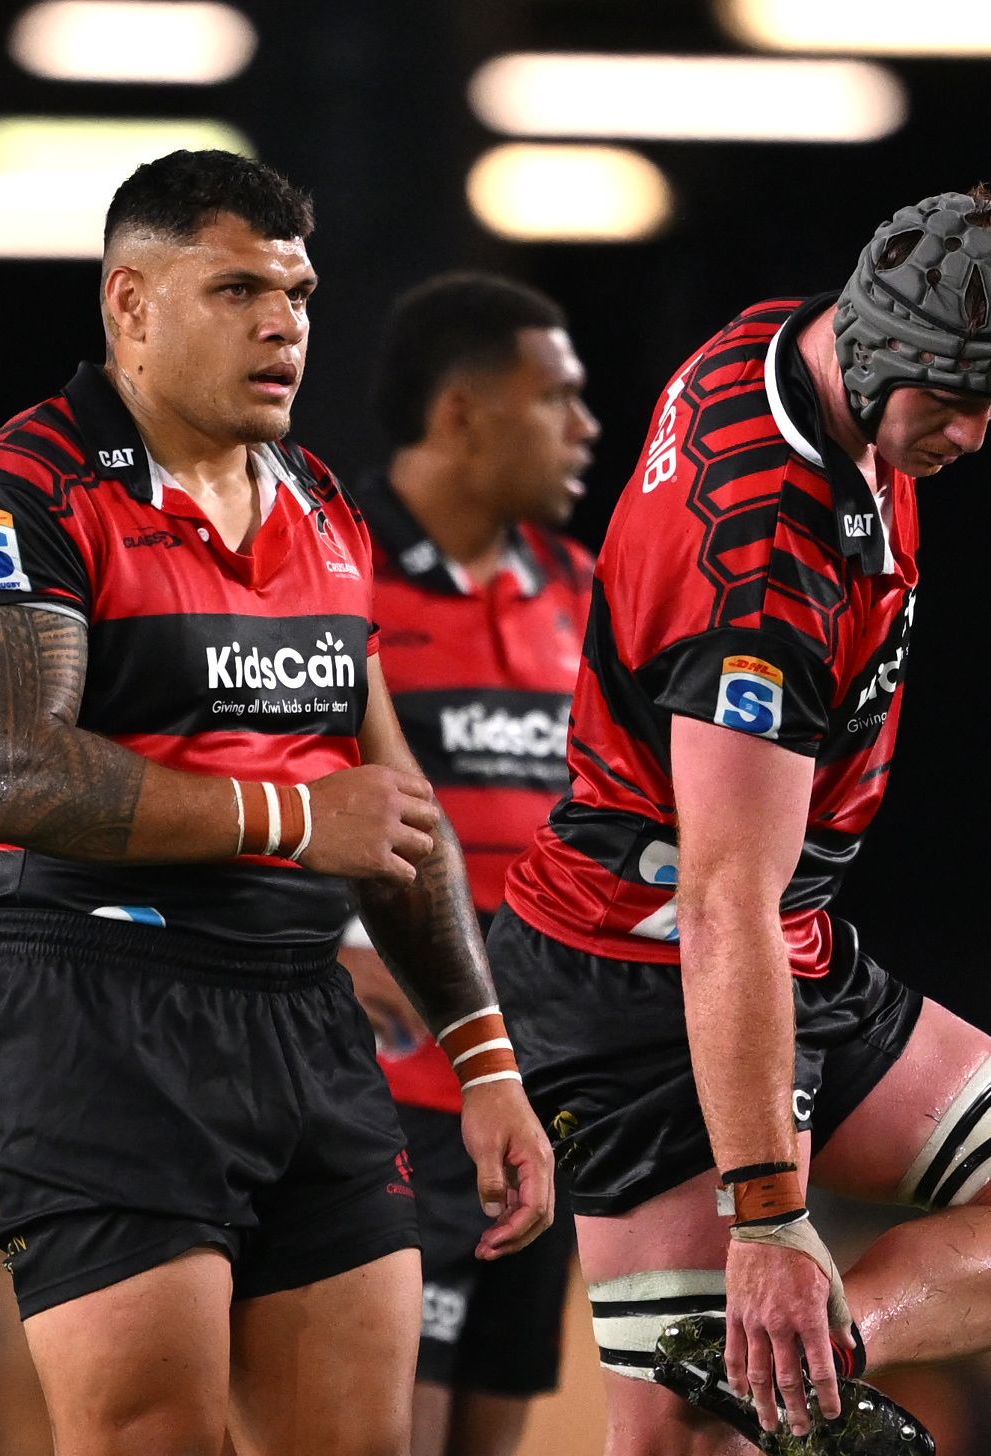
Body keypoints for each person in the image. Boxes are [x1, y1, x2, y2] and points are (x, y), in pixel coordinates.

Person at [0, 151, 553, 1456]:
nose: (282, 325)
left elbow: (393, 808)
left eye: (300, 294)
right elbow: (8, 772)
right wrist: (291, 824)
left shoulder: (321, 507)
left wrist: (485, 1065)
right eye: (237, 289)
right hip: (98, 1026)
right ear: (129, 307)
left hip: (305, 1025)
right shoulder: (27, 495)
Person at [492, 187, 991, 1454]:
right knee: (682, 1445)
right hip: (648, 979)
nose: (975, 434)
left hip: (782, 946)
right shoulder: (765, 565)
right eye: (953, 402)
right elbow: (719, 896)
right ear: (876, 354)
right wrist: (766, 1217)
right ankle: (753, 1349)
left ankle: (790, 1355)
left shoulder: (782, 341)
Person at [336, 271, 599, 1456]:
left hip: (539, 1107)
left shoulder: (583, 595)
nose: (586, 428)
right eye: (557, 397)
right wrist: (329, 937)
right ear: (460, 413)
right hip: (388, 1111)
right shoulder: (331, 569)